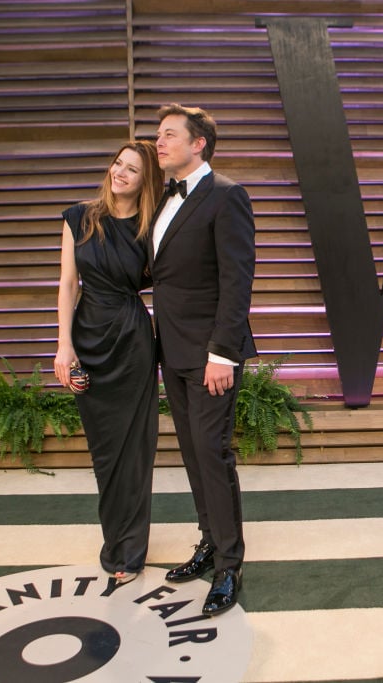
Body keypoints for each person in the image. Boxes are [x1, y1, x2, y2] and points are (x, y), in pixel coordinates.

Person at [149, 104, 256, 616]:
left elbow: (237, 283)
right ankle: (210, 540)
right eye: (157, 135)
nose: (158, 142)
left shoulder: (226, 196)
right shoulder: (163, 199)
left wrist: (223, 353)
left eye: (169, 134)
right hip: (172, 350)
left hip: (211, 354)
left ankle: (230, 566)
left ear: (199, 144)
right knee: (192, 454)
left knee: (213, 455)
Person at [54, 140, 164, 586]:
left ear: (145, 181)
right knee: (105, 452)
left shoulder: (150, 225)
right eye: (118, 163)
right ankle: (114, 539)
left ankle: (129, 550)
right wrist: (64, 346)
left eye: (132, 169)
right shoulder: (78, 217)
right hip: (88, 340)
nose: (120, 172)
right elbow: (67, 285)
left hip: (133, 341)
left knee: (135, 449)